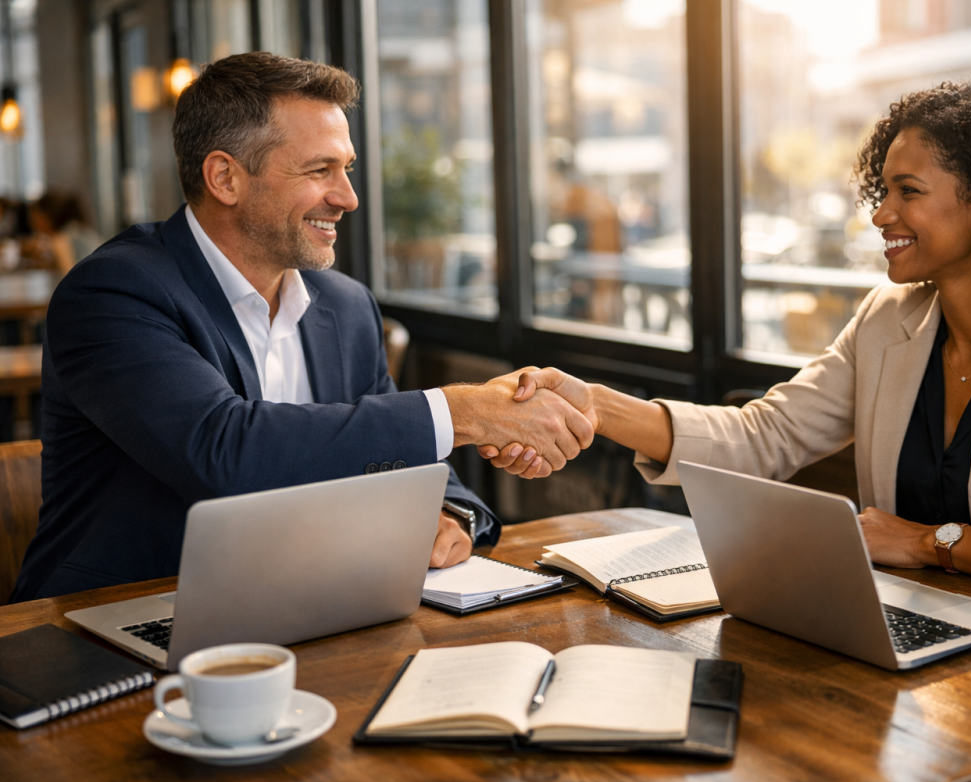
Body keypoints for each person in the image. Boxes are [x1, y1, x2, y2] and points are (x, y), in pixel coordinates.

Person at [486, 81, 971, 782]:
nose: (880, 214)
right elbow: (766, 435)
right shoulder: (889, 321)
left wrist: (924, 542)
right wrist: (596, 405)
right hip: (910, 670)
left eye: (907, 191)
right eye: (881, 190)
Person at [11, 53, 593, 603]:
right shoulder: (112, 293)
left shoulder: (345, 305)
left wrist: (452, 518)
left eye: (346, 169)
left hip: (308, 607)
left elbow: (419, 464)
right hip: (119, 618)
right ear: (225, 178)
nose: (348, 197)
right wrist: (466, 411)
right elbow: (225, 451)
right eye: (320, 170)